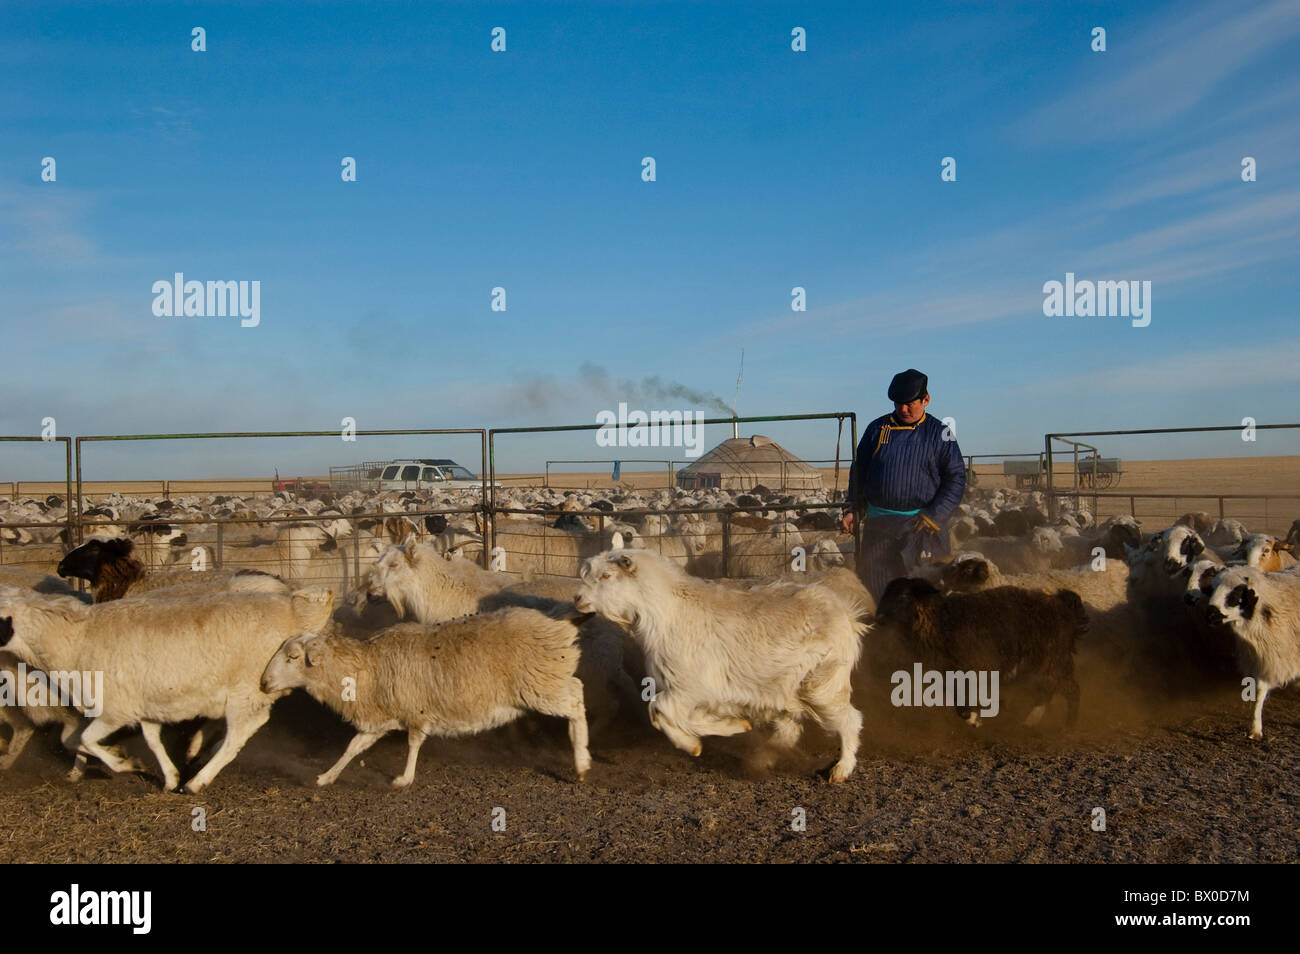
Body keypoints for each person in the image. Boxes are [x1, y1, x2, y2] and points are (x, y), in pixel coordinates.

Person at [840, 368, 966, 601]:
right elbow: (860, 471)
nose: (903, 409)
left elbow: (956, 478)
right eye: (898, 403)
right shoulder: (877, 429)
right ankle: (882, 637)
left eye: (910, 404)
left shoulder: (941, 434)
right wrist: (854, 508)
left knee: (927, 596)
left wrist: (934, 515)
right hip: (880, 528)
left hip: (923, 527)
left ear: (926, 400)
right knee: (877, 593)